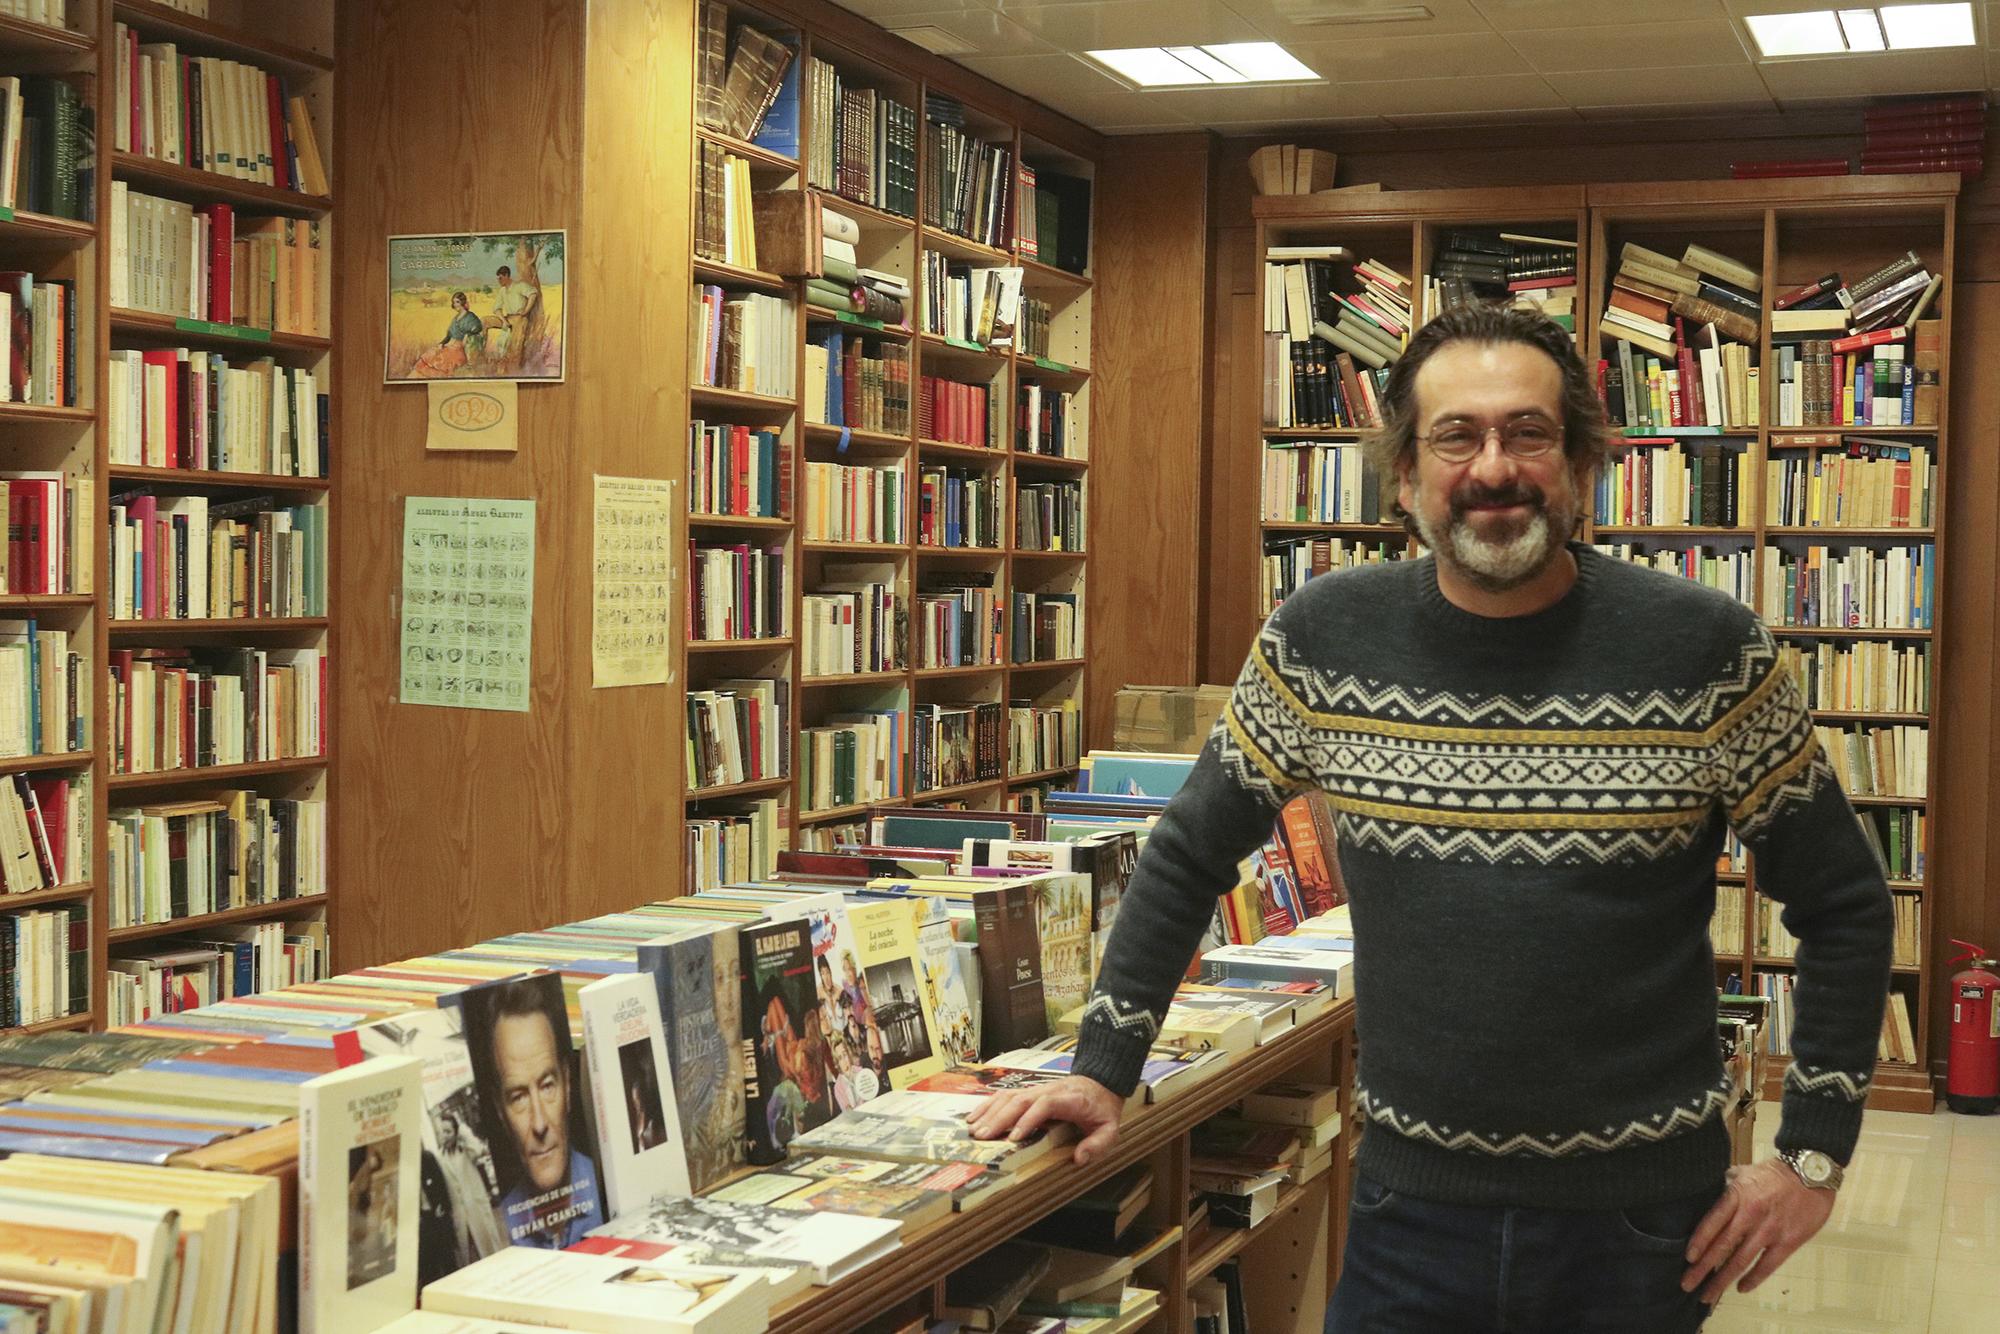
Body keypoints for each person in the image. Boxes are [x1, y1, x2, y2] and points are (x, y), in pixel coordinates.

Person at [967, 304, 1893, 1331]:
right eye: (1455, 435)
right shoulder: (1320, 637)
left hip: (1638, 1228)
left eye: (1526, 433)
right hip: (1407, 1213)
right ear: (1403, 473)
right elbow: (1186, 851)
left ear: (1580, 462)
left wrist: (1810, 1153)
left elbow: (1843, 900)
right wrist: (1101, 1068)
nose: (1491, 466)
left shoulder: (1705, 650)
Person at [479, 979, 604, 1249]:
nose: (539, 1123)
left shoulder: (611, 1189)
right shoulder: (499, 1236)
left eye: (547, 1086)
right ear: (501, 1111)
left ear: (568, 1085)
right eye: (519, 1097)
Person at [410, 290, 484, 377]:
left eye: (457, 302)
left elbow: (478, 327)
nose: (455, 304)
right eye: (454, 302)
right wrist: (442, 343)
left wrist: (468, 334)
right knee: (432, 353)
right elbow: (449, 335)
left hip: (460, 349)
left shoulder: (470, 316)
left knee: (442, 359)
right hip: (450, 346)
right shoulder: (455, 319)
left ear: (463, 302)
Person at [487, 264, 535, 368]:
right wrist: (504, 321)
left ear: (507, 276)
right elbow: (497, 308)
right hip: (507, 318)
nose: (499, 280)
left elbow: (533, 294)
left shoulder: (519, 286)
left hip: (519, 318)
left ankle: (512, 367)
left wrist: (526, 310)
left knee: (515, 346)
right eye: (498, 278)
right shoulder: (502, 290)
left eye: (501, 278)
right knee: (484, 321)